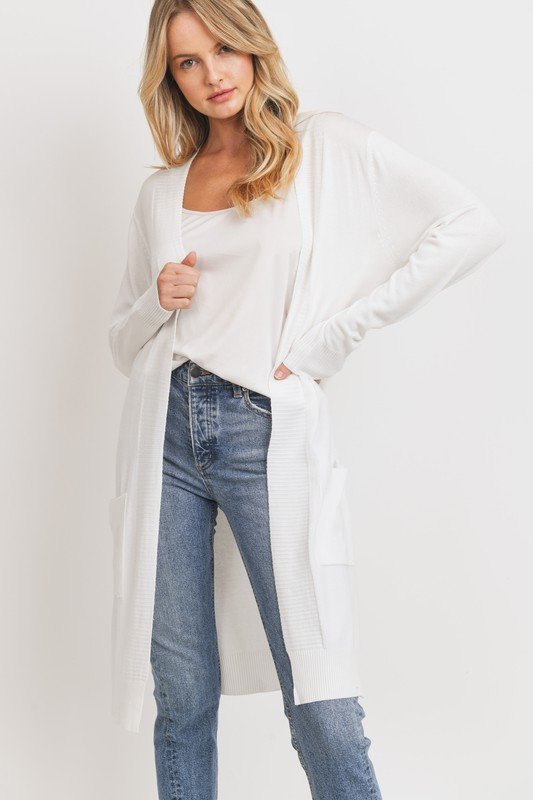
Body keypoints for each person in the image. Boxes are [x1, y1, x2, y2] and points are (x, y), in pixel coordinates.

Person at [107, 1, 505, 797]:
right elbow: (123, 344)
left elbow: (470, 225)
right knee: (180, 693)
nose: (212, 74)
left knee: (319, 692)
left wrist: (333, 338)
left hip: (262, 427)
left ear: (254, 48)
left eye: (223, 49)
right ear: (169, 78)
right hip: (165, 436)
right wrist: (157, 299)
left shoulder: (319, 147)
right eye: (187, 62)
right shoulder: (161, 193)